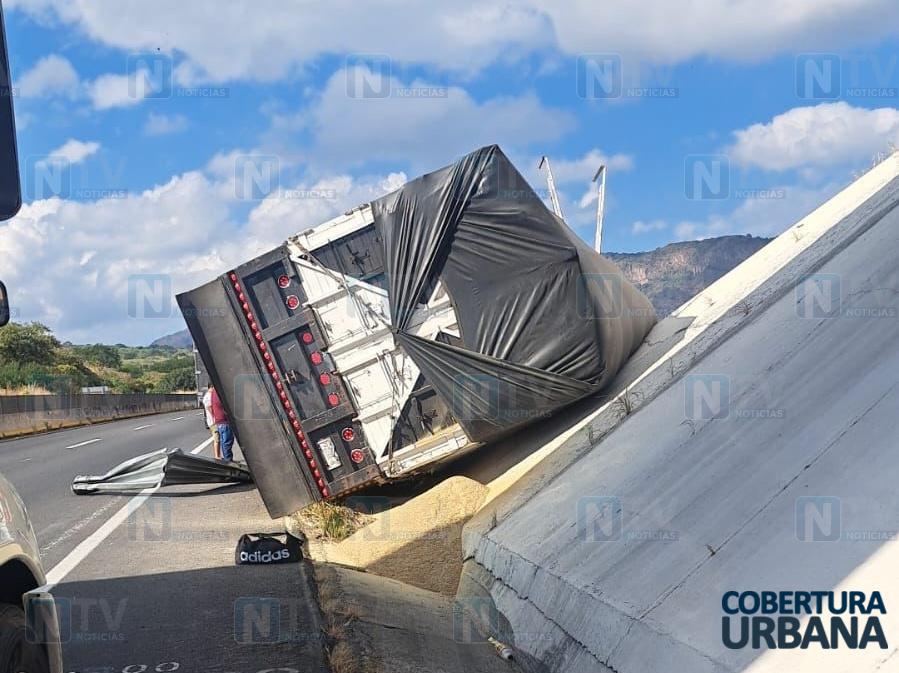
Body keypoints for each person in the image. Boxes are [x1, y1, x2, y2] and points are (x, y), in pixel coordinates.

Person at [209, 384, 235, 462]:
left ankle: (228, 460)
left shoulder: (213, 392)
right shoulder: (219, 392)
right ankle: (229, 461)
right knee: (227, 442)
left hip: (220, 421)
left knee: (225, 442)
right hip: (224, 421)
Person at [202, 385, 221, 460]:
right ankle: (217, 456)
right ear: (212, 387)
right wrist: (215, 417)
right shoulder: (208, 396)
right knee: (217, 438)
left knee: (218, 438)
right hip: (213, 421)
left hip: (214, 420)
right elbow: (209, 408)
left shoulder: (210, 395)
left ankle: (218, 455)